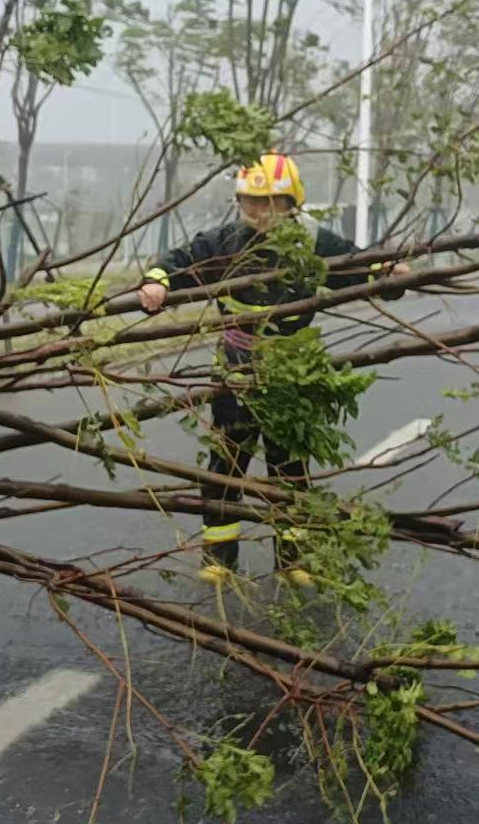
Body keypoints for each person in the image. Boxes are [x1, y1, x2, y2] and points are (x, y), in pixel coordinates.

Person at [137, 152, 408, 582]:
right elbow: (177, 263)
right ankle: (219, 558)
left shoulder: (313, 242)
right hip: (236, 369)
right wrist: (156, 283)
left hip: (292, 372)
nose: (260, 211)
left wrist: (390, 273)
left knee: (290, 468)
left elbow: (359, 268)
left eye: (271, 202)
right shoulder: (225, 241)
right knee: (227, 462)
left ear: (291, 202)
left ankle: (292, 560)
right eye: (252, 202)